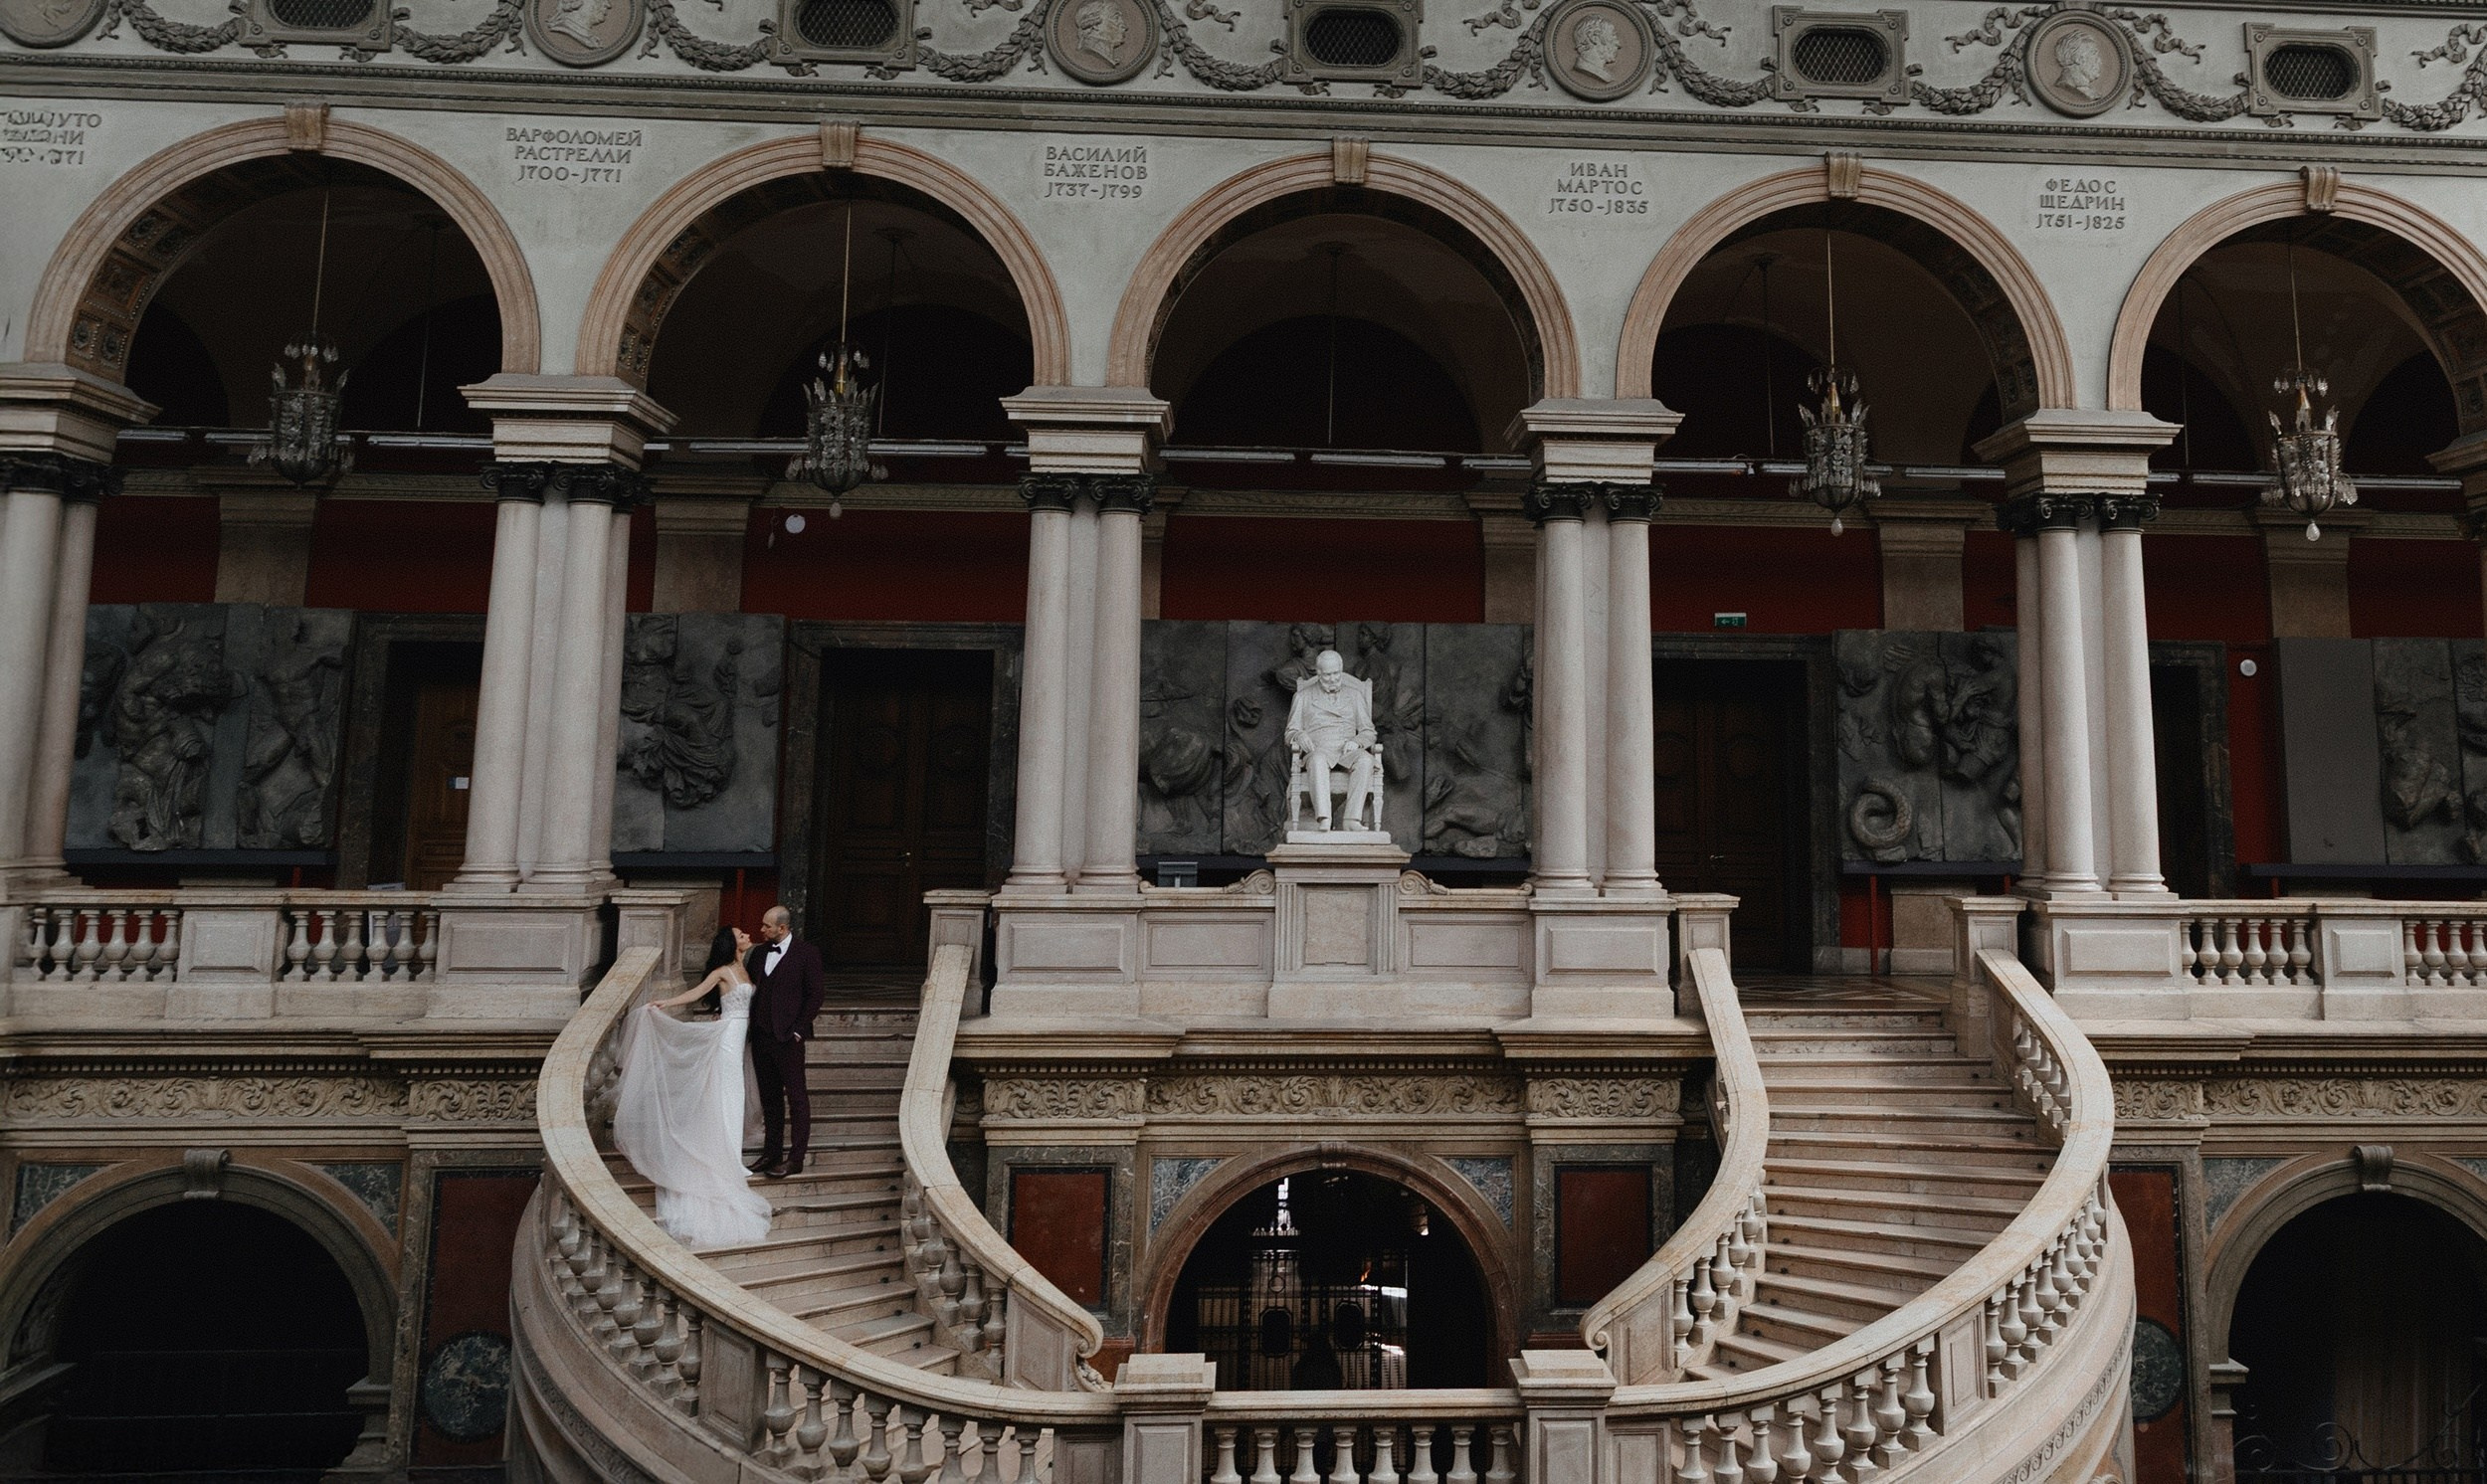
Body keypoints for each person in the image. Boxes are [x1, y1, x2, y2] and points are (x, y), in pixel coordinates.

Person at [611, 927, 776, 1249]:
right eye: (740, 933)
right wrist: (666, 1003)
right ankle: (727, 1159)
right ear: (732, 943)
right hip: (727, 1038)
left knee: (736, 1095)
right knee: (726, 1093)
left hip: (740, 1037)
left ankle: (733, 1155)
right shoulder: (722, 971)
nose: (746, 934)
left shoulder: (747, 966)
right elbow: (697, 992)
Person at [746, 906, 826, 1178]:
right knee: (769, 1099)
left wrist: (798, 1031)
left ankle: (796, 1158)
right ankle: (771, 1153)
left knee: (797, 1099)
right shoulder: (759, 953)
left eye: (766, 926)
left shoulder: (807, 953)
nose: (762, 929)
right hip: (761, 1036)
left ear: (782, 928)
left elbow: (815, 995)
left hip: (788, 1038)